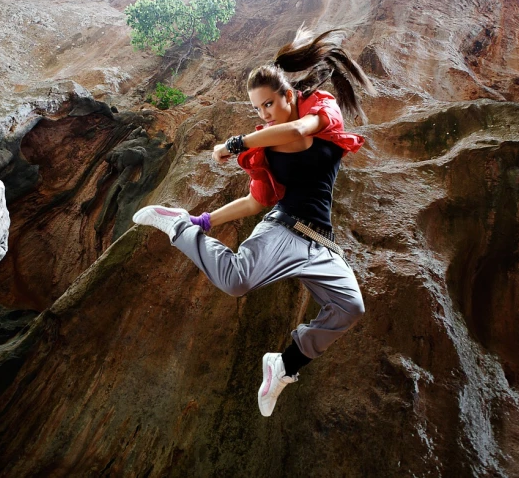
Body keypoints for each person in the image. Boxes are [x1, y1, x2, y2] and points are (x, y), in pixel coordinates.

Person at [132, 26, 375, 417]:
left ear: (289, 94)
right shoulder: (265, 147)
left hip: (320, 242)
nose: (263, 115)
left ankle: (283, 366)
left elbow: (297, 131)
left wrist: (235, 143)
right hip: (284, 229)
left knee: (350, 307)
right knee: (235, 281)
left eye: (268, 105)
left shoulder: (321, 110)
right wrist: (203, 219)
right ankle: (180, 227)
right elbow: (256, 200)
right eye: (256, 110)